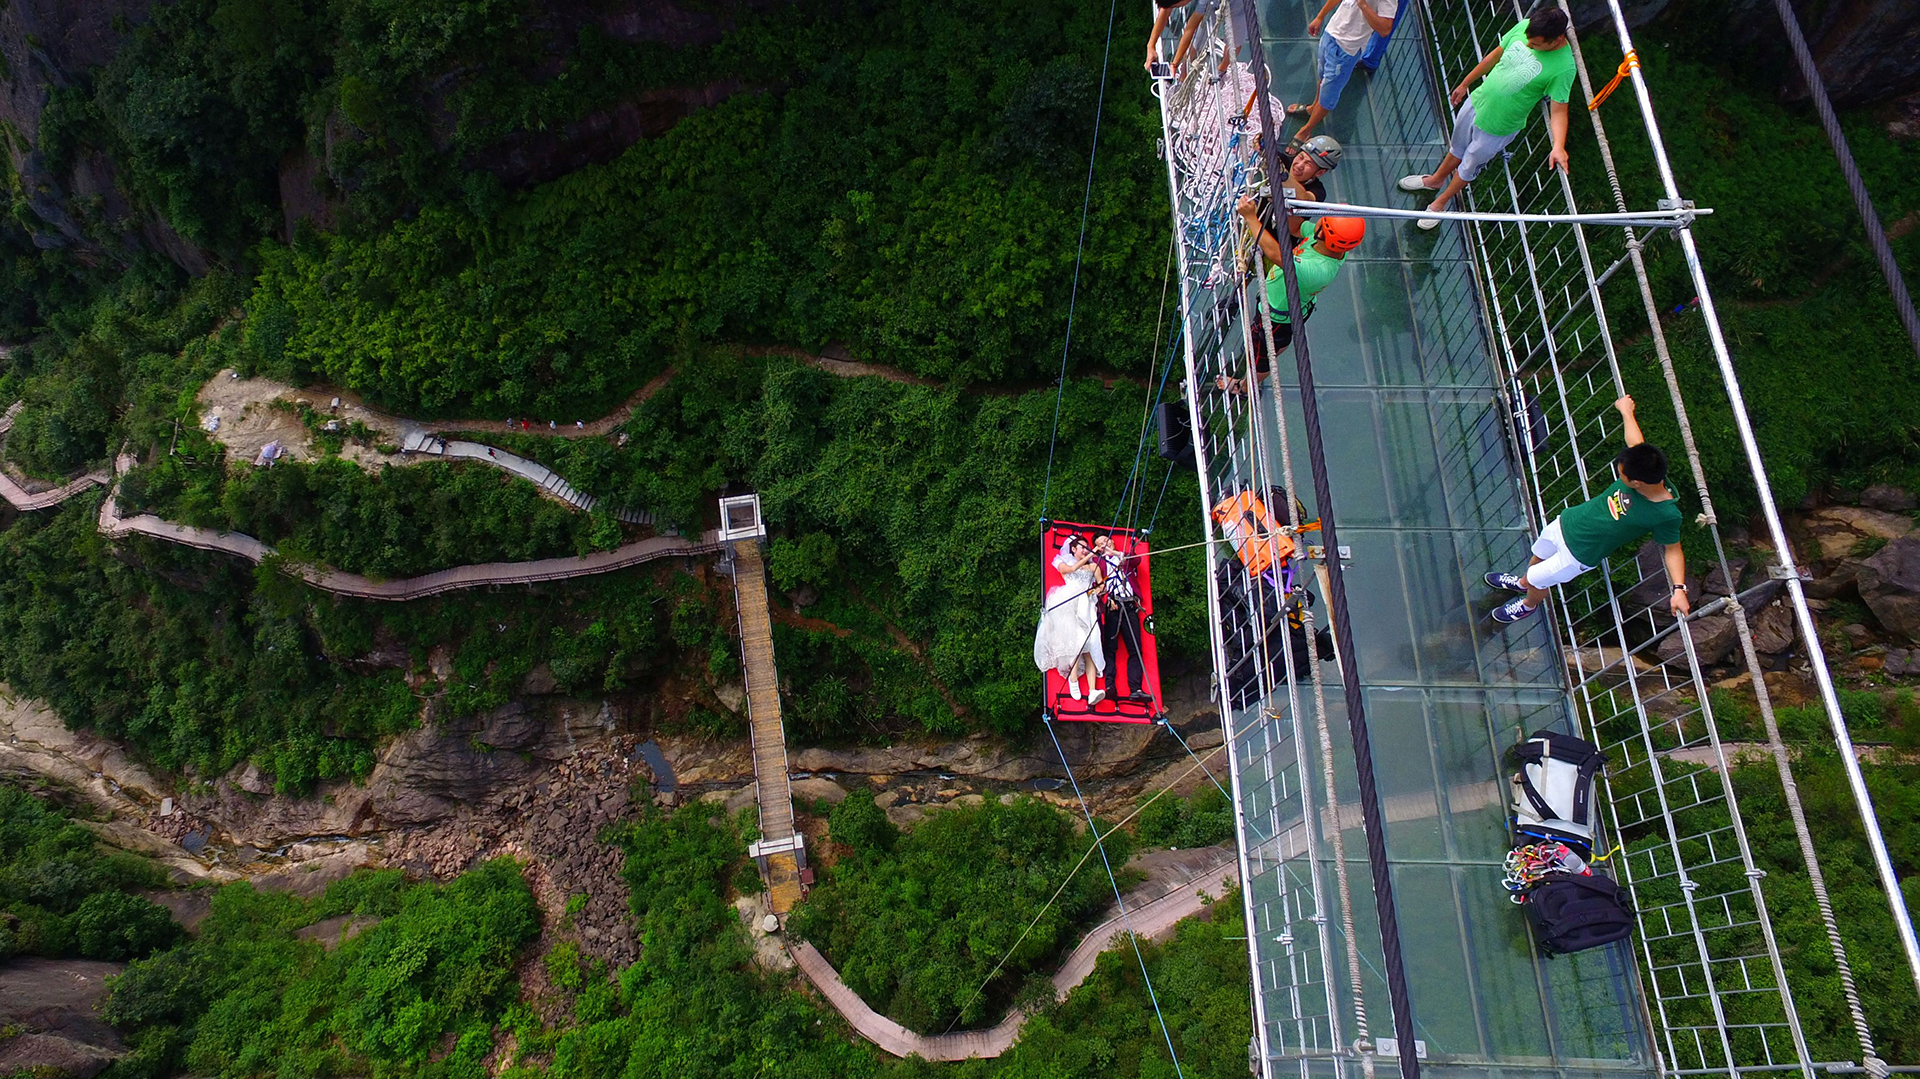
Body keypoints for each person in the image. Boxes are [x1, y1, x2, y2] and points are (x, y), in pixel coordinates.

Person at [1486, 396, 1690, 624]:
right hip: (1568, 522)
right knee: (1538, 554)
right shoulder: (1644, 466)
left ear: (1636, 483)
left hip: (1578, 554)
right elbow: (1635, 442)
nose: (1619, 476)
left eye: (1621, 475)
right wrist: (1626, 411)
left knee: (1538, 580)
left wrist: (1679, 589)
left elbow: (1673, 549)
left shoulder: (1666, 513)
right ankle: (1521, 583)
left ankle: (1528, 604)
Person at [1396, 4, 1573, 230]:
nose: (1529, 45)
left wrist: (1558, 145)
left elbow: (1559, 109)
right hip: (1478, 102)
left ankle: (1440, 204)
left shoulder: (1564, 67)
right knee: (1457, 147)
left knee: (1469, 165)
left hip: (1499, 126)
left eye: (1536, 44)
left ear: (1557, 40)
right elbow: (1495, 55)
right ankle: (1434, 180)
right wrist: (1465, 83)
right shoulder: (1526, 27)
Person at [1225, 203, 1364, 391]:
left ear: (1324, 234)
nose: (1317, 221)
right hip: (1294, 310)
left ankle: (1243, 388)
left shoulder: (1317, 270)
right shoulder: (1327, 245)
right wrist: (1283, 199)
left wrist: (1250, 218)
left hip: (1276, 317)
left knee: (1261, 359)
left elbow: (1275, 254)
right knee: (1279, 340)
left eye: (1323, 221)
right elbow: (1296, 228)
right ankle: (1279, 346)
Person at [1288, 0, 1397, 143]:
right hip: (1331, 34)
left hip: (1346, 49)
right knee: (1322, 76)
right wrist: (1320, 16)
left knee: (1329, 92)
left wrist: (1363, 5)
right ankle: (1313, 108)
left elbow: (1385, 29)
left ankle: (1305, 131)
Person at [1034, 535, 1108, 703]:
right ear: (1073, 549)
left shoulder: (1093, 566)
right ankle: (1073, 680)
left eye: (1087, 548)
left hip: (1086, 606)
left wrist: (1097, 590)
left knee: (1090, 645)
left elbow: (1101, 584)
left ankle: (1092, 690)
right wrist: (1092, 554)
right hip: (1068, 605)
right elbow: (1072, 569)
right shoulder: (1062, 562)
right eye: (1083, 548)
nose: (1086, 551)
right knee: (1077, 644)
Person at [1091, 535, 1153, 703]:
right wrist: (1106, 599)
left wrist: (1116, 554)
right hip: (1112, 606)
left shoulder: (1124, 557)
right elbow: (1096, 586)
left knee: (1135, 648)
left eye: (1106, 541)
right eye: (1100, 544)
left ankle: (1136, 689)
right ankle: (1110, 686)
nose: (1105, 544)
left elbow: (1137, 560)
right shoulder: (1098, 563)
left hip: (1130, 606)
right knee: (1110, 648)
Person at [1146, 0, 1252, 75]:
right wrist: (1150, 46)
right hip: (1211, 4)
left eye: (1176, 7)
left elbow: (1190, 29)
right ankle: (1184, 73)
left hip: (1237, 5)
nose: (1176, 8)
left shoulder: (1203, 2)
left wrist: (1174, 64)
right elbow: (1165, 10)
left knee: (1234, 42)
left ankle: (1222, 70)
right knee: (1197, 42)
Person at [1266, 136, 1344, 238]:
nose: (1299, 165)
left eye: (1308, 164)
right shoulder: (1285, 162)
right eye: (1301, 157)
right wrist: (1260, 143)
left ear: (1320, 172)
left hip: (1277, 241)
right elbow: (1265, 151)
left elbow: (1305, 198)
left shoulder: (1318, 191)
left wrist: (1282, 173)